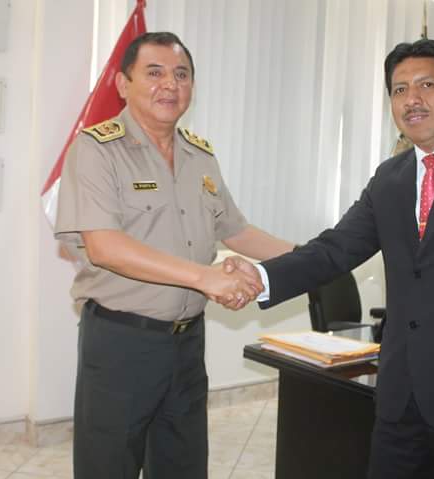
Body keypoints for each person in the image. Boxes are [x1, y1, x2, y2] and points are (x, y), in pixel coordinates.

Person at [223, 39, 434, 478]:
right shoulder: (390, 177)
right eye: (399, 89)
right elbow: (334, 249)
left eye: (427, 85)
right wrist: (260, 276)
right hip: (401, 401)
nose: (411, 99)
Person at [54, 32, 291, 479]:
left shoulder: (200, 156)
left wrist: (315, 258)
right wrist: (205, 277)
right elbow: (105, 246)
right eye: (154, 72)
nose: (170, 84)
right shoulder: (96, 150)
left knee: (183, 465)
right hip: (123, 342)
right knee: (108, 466)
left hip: (186, 344)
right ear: (123, 84)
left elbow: (236, 231)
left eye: (181, 74)